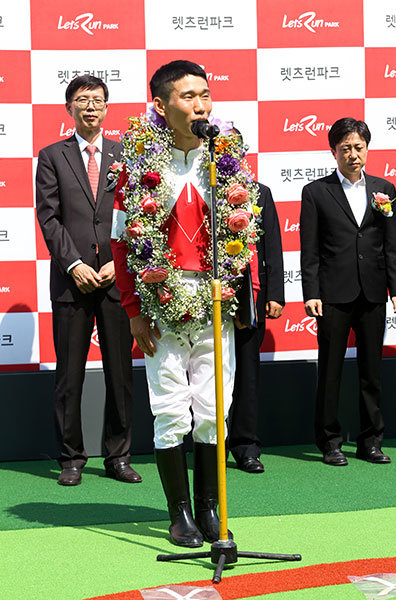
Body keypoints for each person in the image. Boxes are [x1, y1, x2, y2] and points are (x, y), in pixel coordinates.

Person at [111, 60, 261, 546]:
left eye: (205, 94)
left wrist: (239, 290)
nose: (201, 105)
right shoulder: (137, 165)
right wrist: (134, 310)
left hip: (216, 299)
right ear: (161, 105)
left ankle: (211, 510)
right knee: (173, 408)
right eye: (188, 96)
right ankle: (180, 515)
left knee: (216, 406)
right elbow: (120, 243)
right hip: (161, 304)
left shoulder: (226, 157)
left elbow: (244, 232)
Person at [36, 75, 142, 486]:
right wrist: (74, 264)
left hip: (116, 279)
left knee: (120, 374)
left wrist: (121, 261)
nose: (91, 107)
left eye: (98, 100)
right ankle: (71, 457)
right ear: (69, 108)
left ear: (107, 107)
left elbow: (138, 212)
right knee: (70, 374)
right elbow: (49, 217)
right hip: (72, 282)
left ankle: (118, 456)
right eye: (82, 100)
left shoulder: (126, 156)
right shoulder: (52, 156)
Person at [300, 117, 396, 466]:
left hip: (372, 291)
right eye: (346, 149)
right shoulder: (315, 192)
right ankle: (329, 442)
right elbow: (308, 248)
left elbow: (392, 244)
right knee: (330, 371)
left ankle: (371, 440)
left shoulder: (384, 189)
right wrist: (311, 292)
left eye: (359, 147)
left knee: (371, 371)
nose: (353, 154)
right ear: (334, 151)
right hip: (332, 294)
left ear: (367, 150)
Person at [229, 182, 284, 473]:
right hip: (207, 297)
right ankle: (208, 444)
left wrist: (275, 293)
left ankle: (246, 446)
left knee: (248, 373)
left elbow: (272, 243)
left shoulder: (260, 192)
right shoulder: (200, 186)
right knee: (205, 371)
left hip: (252, 294)